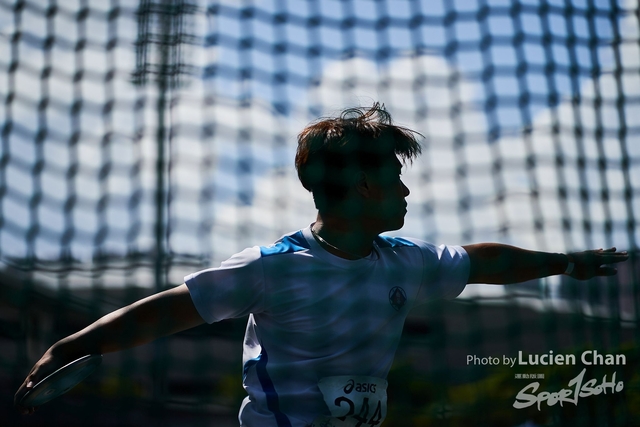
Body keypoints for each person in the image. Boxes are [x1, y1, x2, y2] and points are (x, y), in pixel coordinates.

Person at [15, 104, 628, 426]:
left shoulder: (403, 262)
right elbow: (163, 313)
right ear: (363, 187)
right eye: (394, 178)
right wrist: (67, 345)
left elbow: (480, 261)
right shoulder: (271, 266)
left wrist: (565, 263)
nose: (406, 192)